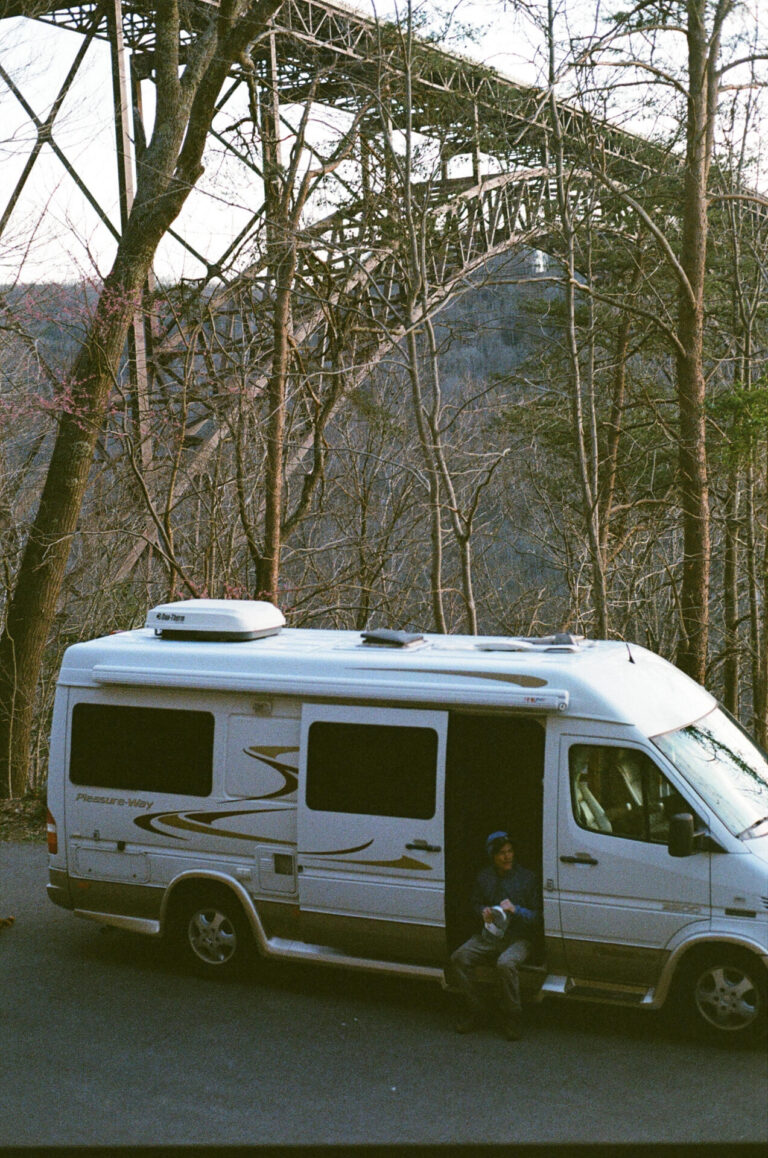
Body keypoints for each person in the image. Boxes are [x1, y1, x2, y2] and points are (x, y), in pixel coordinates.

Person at [450, 830, 540, 1040]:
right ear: (492, 856)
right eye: (502, 853)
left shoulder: (527, 878)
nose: (508, 856)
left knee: (505, 964)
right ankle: (479, 1011)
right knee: (459, 958)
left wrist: (516, 910)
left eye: (510, 851)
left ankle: (512, 1016)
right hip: (490, 935)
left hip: (519, 937)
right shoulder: (484, 877)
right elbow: (475, 903)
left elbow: (539, 917)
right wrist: (483, 912)